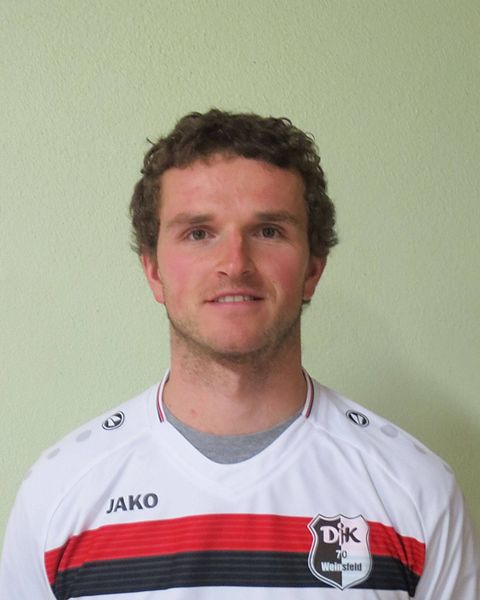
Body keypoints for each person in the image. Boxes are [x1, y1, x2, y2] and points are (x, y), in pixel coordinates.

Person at [1, 109, 478, 599]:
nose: (234, 264)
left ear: (313, 268)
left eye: (268, 231)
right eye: (198, 233)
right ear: (153, 271)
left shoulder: (415, 490)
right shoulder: (60, 492)